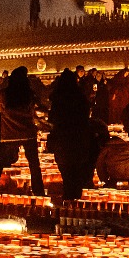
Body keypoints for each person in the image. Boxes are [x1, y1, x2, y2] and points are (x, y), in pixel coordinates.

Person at [0, 66, 45, 196]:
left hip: (9, 133)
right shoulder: (29, 93)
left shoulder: (4, 93)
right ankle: (38, 191)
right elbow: (34, 110)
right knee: (34, 164)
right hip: (27, 133)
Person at [48, 69, 93, 200]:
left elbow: (53, 119)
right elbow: (86, 116)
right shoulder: (80, 97)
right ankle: (76, 200)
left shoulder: (58, 98)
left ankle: (68, 199)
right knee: (76, 171)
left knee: (66, 172)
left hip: (63, 139)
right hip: (79, 138)